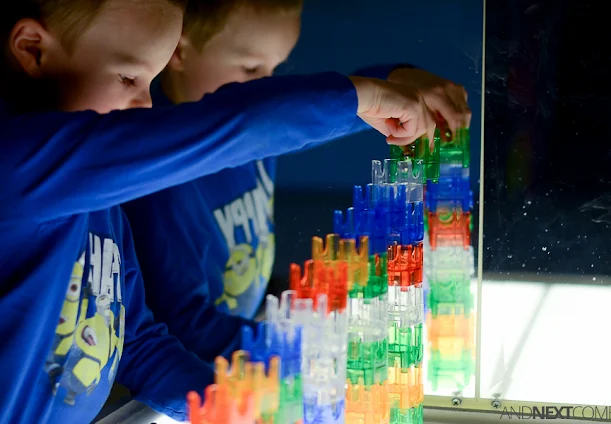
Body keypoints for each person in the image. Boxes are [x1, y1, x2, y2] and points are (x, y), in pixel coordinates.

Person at [0, 0, 448, 422]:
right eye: (127, 78)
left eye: (150, 82)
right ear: (32, 50)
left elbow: (136, 342)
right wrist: (364, 96)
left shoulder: (101, 199)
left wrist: (245, 407)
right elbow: (229, 128)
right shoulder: (17, 166)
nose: (147, 105)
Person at [123, 0, 472, 362]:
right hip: (198, 373)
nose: (266, 89)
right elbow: (183, 328)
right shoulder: (158, 176)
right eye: (250, 67)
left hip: (242, 336)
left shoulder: (254, 129)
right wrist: (310, 349)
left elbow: (306, 113)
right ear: (177, 51)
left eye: (273, 70)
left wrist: (395, 79)